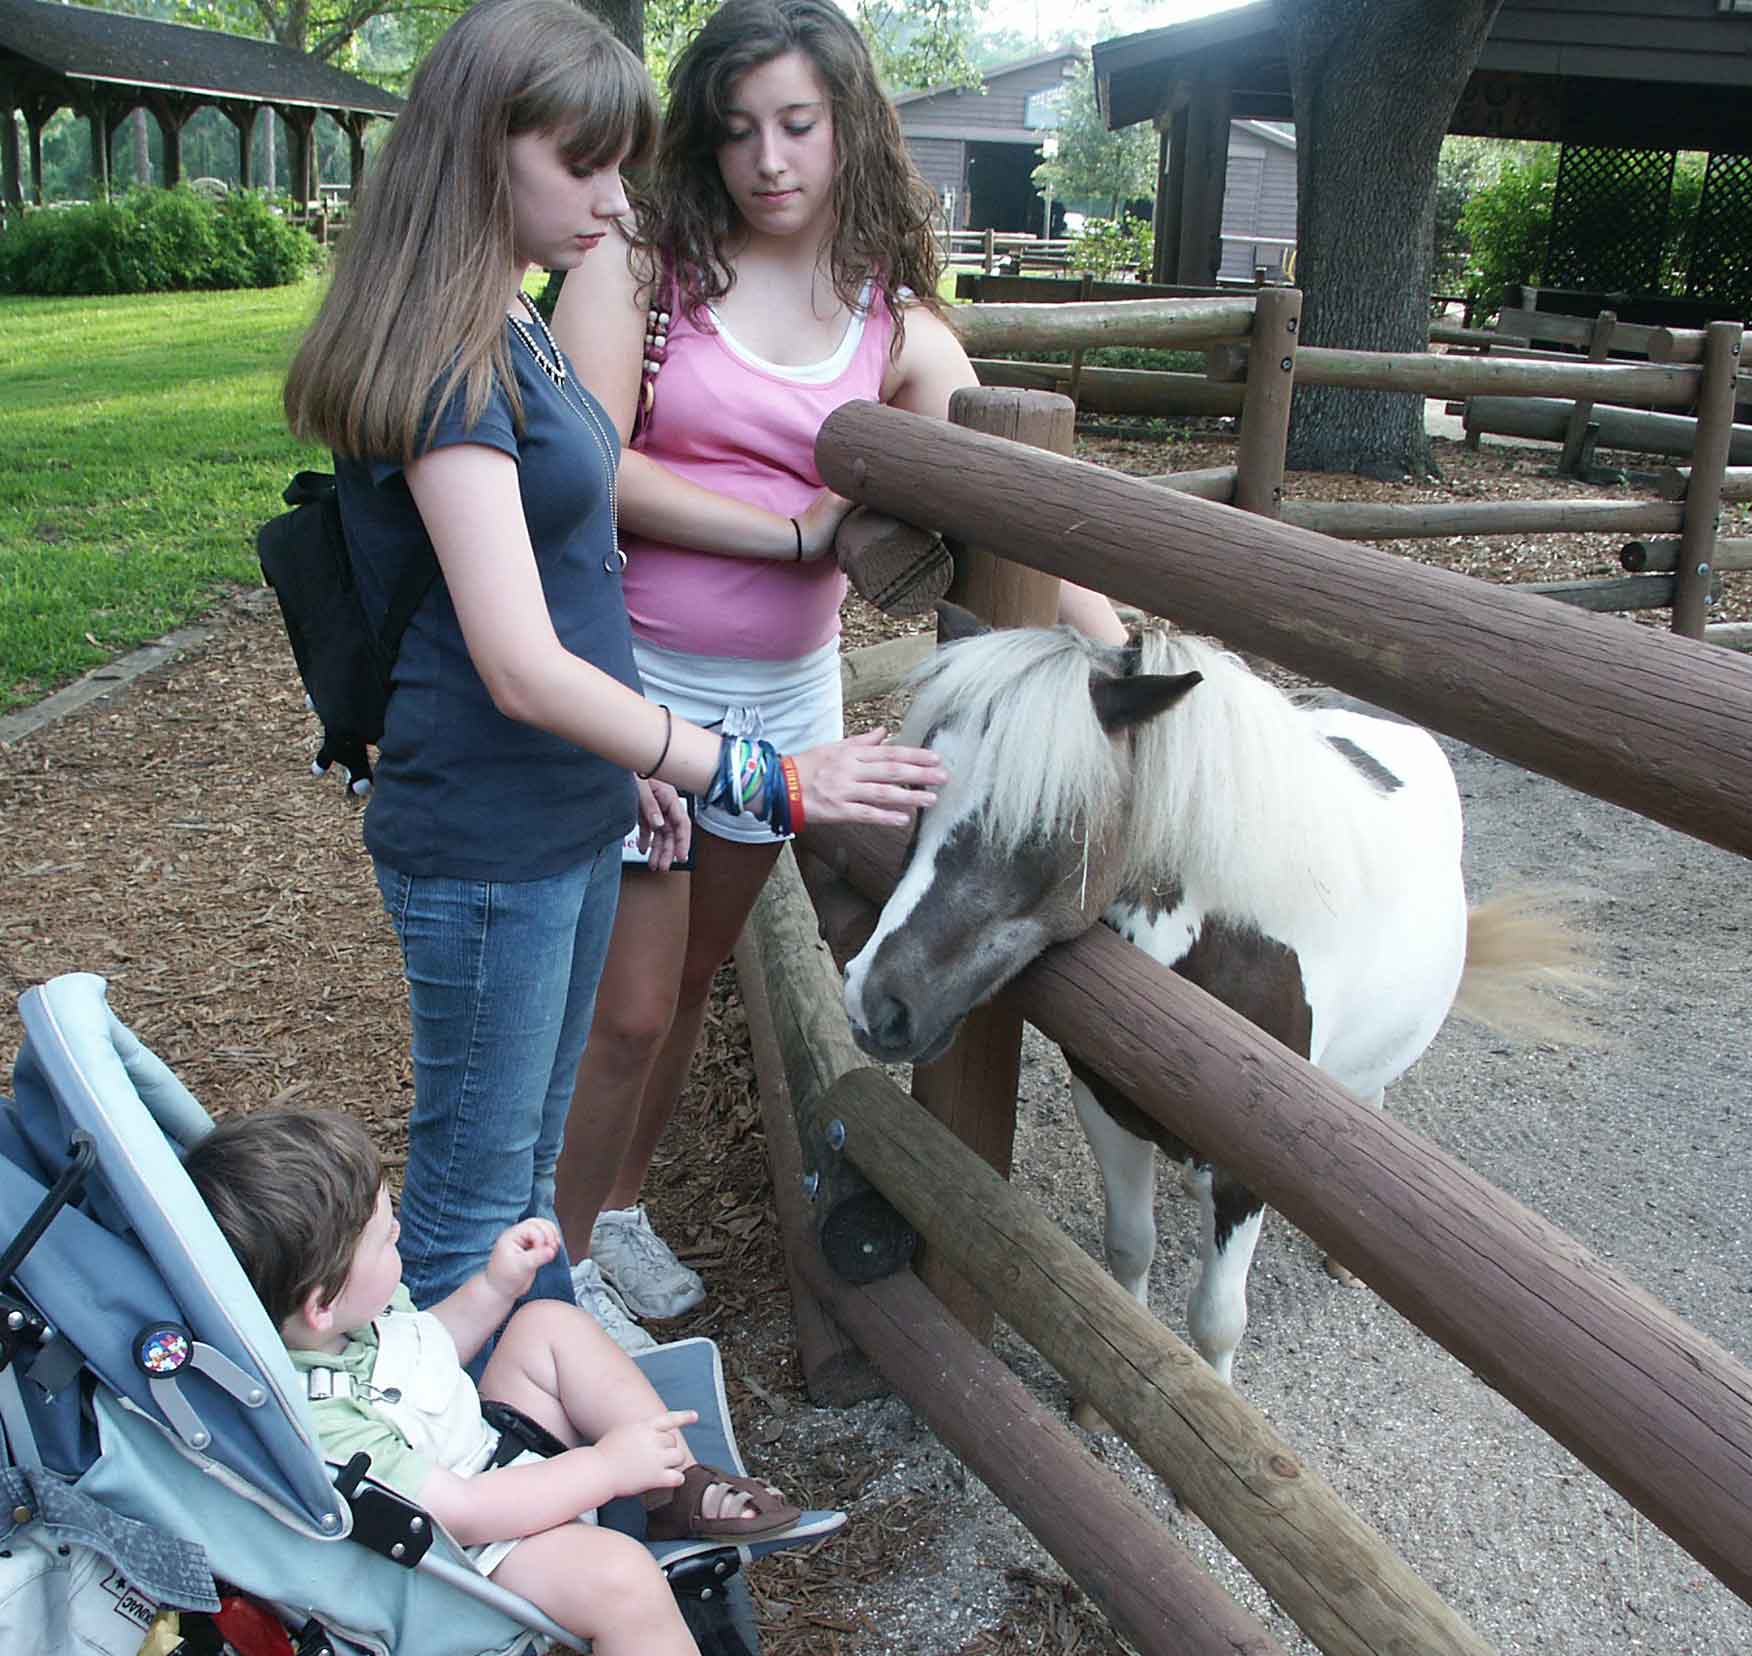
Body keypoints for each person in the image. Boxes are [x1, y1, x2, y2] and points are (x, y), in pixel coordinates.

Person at [280, 0, 946, 1330]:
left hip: (565, 797)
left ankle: (517, 1408)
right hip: (491, 823)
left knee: (520, 1181)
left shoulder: (512, 323)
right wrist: (740, 765)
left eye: (619, 161)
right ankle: (446, 1482)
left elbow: (566, 576)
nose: (613, 194)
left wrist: (622, 762)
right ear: (480, 151)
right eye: (582, 163)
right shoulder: (451, 363)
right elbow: (519, 663)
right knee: (473, 1203)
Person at [548, 0, 1126, 1349]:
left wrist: (1137, 664)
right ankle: (553, 1264)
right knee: (620, 1002)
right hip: (634, 686)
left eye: (797, 125)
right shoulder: (641, 263)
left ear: (850, 127)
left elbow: (1019, 503)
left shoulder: (900, 326)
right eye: (740, 128)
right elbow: (578, 465)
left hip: (787, 705)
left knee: (687, 982)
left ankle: (615, 1212)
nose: (768, 158)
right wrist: (792, 532)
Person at [184, 1109, 799, 1656]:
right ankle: (640, 1506)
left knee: (548, 1324)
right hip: (480, 1557)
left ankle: (674, 1490)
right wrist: (607, 1470)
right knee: (623, 1581)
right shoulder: (326, 1423)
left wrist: (495, 1288)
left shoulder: (347, 1319)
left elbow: (425, 1357)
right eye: (383, 1236)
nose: (398, 1231)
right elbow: (465, 1514)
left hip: (494, 1458)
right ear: (322, 1304)